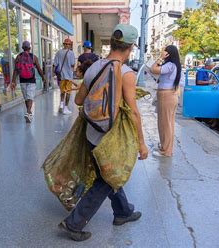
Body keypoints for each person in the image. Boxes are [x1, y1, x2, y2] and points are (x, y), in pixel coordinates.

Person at [58, 24, 148, 242]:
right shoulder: (126, 74)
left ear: (112, 43)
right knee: (106, 180)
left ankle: (123, 212)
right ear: (131, 47)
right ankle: (74, 223)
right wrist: (141, 143)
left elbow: (78, 100)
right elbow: (134, 112)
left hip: (92, 132)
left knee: (106, 174)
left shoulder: (94, 67)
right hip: (110, 138)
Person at [149, 45, 181, 157]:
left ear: (169, 54)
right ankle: (166, 146)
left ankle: (166, 150)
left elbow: (153, 69)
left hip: (166, 95)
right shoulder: (174, 65)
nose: (163, 52)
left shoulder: (170, 65)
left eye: (165, 51)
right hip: (170, 94)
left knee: (164, 124)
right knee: (168, 123)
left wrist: (160, 58)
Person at [12, 41, 46, 123]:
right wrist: (43, 77)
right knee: (30, 97)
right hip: (31, 80)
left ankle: (29, 113)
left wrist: (13, 80)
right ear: (30, 48)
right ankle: (28, 112)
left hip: (22, 80)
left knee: (26, 98)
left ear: (22, 48)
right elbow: (38, 68)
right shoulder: (34, 57)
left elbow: (16, 70)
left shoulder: (18, 57)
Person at [53, 38, 76, 115]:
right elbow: (73, 64)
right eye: (68, 44)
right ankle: (65, 108)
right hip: (69, 76)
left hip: (61, 75)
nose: (67, 45)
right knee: (68, 92)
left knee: (62, 91)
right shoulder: (71, 53)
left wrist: (54, 74)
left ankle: (61, 104)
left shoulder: (58, 52)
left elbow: (55, 64)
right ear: (69, 45)